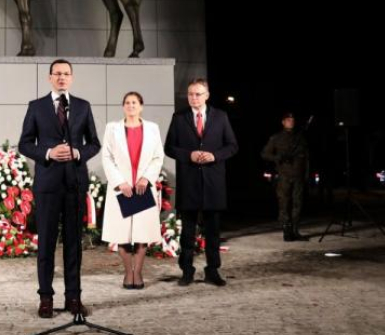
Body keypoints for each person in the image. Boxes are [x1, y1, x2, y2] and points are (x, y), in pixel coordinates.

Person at [18, 59, 101, 318]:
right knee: (46, 244)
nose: (62, 78)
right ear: (49, 77)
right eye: (57, 74)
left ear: (72, 78)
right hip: (48, 184)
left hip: (74, 183)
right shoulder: (36, 107)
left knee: (74, 245)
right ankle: (45, 298)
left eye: (66, 74)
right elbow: (25, 144)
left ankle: (74, 298)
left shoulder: (83, 107)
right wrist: (48, 152)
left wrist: (77, 151)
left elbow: (94, 143)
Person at [165, 78, 238, 287]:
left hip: (213, 184)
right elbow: (169, 148)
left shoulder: (220, 117)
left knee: (213, 232)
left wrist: (215, 156)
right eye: (190, 94)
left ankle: (212, 270)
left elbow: (232, 146)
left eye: (197, 94)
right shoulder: (179, 118)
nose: (193, 98)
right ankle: (187, 271)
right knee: (187, 233)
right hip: (189, 183)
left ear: (207, 96)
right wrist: (190, 155)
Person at [101, 92, 164, 289]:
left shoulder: (153, 128)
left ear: (141, 106)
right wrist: (120, 182)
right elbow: (107, 157)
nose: (130, 106)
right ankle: (129, 273)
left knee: (141, 234)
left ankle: (139, 272)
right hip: (123, 189)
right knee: (122, 234)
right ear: (123, 107)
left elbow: (157, 157)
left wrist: (146, 178)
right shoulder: (112, 128)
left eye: (134, 103)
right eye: (127, 103)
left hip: (142, 188)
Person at [261, 112, 309, 241]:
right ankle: (286, 230)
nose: (291, 122)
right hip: (284, 175)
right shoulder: (276, 138)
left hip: (298, 175)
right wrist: (279, 158)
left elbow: (306, 158)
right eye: (288, 120)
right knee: (284, 203)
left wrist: (306, 174)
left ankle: (295, 230)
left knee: (297, 203)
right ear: (283, 122)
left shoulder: (300, 138)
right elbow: (265, 154)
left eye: (292, 120)